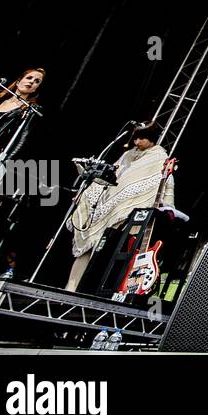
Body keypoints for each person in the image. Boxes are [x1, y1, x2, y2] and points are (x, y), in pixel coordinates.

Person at [65, 121, 174, 292]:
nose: (137, 142)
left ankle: (93, 290)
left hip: (125, 217)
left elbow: (157, 182)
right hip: (105, 207)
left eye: (141, 139)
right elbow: (114, 175)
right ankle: (71, 288)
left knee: (109, 250)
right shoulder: (128, 155)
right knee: (87, 245)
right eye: (135, 138)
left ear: (152, 139)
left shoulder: (159, 157)